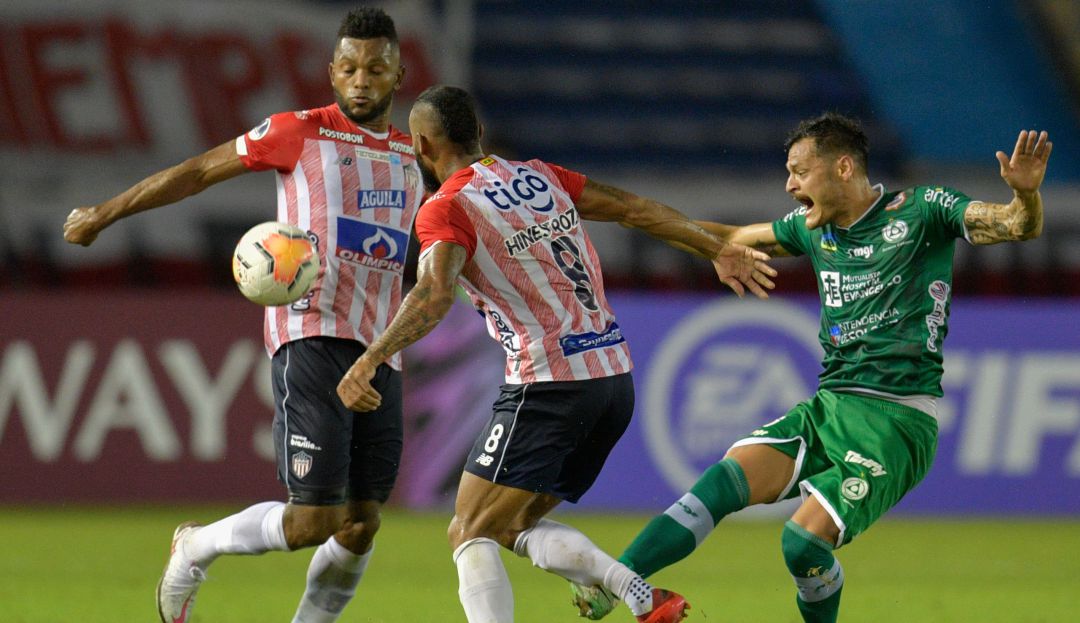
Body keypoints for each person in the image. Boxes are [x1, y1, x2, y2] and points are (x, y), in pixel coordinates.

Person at [568, 113, 1053, 623]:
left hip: (896, 422)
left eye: (799, 171)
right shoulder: (808, 229)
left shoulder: (924, 211)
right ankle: (614, 583)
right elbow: (734, 236)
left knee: (801, 545)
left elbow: (1017, 226)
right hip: (829, 407)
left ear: (843, 167)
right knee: (719, 484)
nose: (789, 184)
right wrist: (642, 219)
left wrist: (1026, 196)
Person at [334, 84, 777, 623]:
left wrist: (371, 356)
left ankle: (635, 593)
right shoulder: (543, 175)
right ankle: (640, 596)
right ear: (479, 134)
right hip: (614, 380)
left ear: (422, 146)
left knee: (469, 529)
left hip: (547, 383)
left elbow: (432, 292)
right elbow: (633, 209)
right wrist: (716, 248)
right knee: (508, 524)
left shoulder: (446, 209)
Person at [62, 8, 425, 623]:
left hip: (381, 347)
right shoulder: (297, 132)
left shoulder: (416, 154)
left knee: (362, 522)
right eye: (349, 67)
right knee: (315, 519)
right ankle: (196, 546)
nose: (361, 79)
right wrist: (104, 213)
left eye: (376, 68)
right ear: (332, 73)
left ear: (398, 74)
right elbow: (199, 171)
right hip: (311, 332)